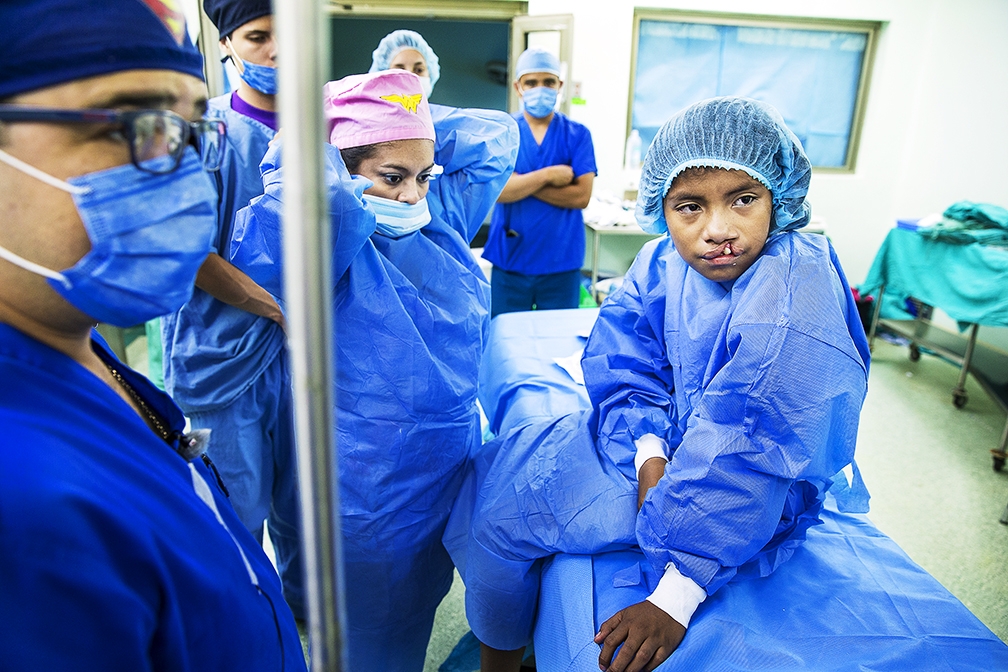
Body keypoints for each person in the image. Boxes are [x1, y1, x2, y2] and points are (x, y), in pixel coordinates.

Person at [446, 97, 871, 672]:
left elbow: (755, 438)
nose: (718, 230)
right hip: (654, 446)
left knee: (503, 523)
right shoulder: (660, 261)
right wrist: (649, 453)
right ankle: (505, 646)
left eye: (743, 199)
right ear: (660, 209)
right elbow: (628, 360)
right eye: (689, 206)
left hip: (744, 490)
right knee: (492, 468)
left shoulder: (793, 291)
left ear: (779, 196)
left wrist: (675, 595)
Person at [0, 0, 305, 669]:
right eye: (129, 123)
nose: (182, 179)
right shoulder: (24, 513)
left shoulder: (74, 346)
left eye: (192, 132)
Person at [230, 69, 519, 671]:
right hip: (368, 490)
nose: (413, 195)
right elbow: (286, 233)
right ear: (336, 167)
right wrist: (319, 128)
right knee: (374, 639)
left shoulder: (435, 219)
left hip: (441, 468)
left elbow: (498, 136)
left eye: (423, 176)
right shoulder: (326, 237)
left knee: (414, 613)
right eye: (393, 178)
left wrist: (403, 113)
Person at [159, 0, 304, 617]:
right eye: (257, 36)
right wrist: (270, 305)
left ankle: (301, 615)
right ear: (226, 44)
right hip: (220, 358)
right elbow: (182, 242)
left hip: (308, 359)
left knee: (307, 508)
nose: (274, 49)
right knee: (232, 511)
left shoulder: (322, 129)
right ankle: (245, 622)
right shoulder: (203, 130)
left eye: (285, 35)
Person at [482, 47, 597, 317]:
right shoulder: (503, 131)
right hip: (511, 258)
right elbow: (498, 191)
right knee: (506, 340)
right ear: (518, 86)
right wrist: (548, 176)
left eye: (548, 82)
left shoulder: (577, 135)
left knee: (556, 341)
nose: (540, 89)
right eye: (531, 82)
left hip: (560, 260)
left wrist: (521, 184)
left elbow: (581, 197)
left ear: (560, 85)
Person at [370, 28, 440, 100]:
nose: (410, 78)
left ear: (430, 73)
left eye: (419, 70)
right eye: (399, 72)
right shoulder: (364, 111)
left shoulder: (447, 111)